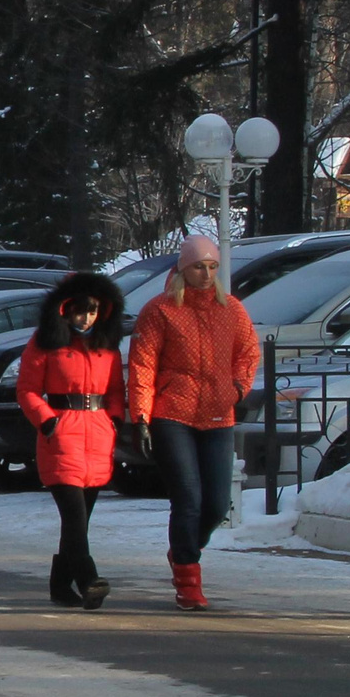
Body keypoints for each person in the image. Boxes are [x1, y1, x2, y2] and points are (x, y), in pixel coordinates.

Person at [128, 234, 262, 610]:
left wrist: (237, 388)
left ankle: (183, 548)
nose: (206, 274)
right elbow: (143, 364)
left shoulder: (231, 309)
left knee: (217, 504)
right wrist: (141, 414)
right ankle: (188, 577)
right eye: (198, 267)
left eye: (212, 267)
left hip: (219, 413)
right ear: (183, 270)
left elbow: (249, 351)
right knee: (188, 498)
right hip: (173, 412)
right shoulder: (161, 310)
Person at [16, 272, 125, 609]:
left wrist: (115, 418)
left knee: (79, 521)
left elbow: (115, 390)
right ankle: (89, 579)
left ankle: (60, 585)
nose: (86, 318)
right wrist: (48, 422)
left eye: (92, 311)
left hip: (97, 436)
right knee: (75, 517)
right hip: (62, 436)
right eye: (79, 311)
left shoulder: (106, 347)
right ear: (64, 310)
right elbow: (28, 390)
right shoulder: (45, 342)